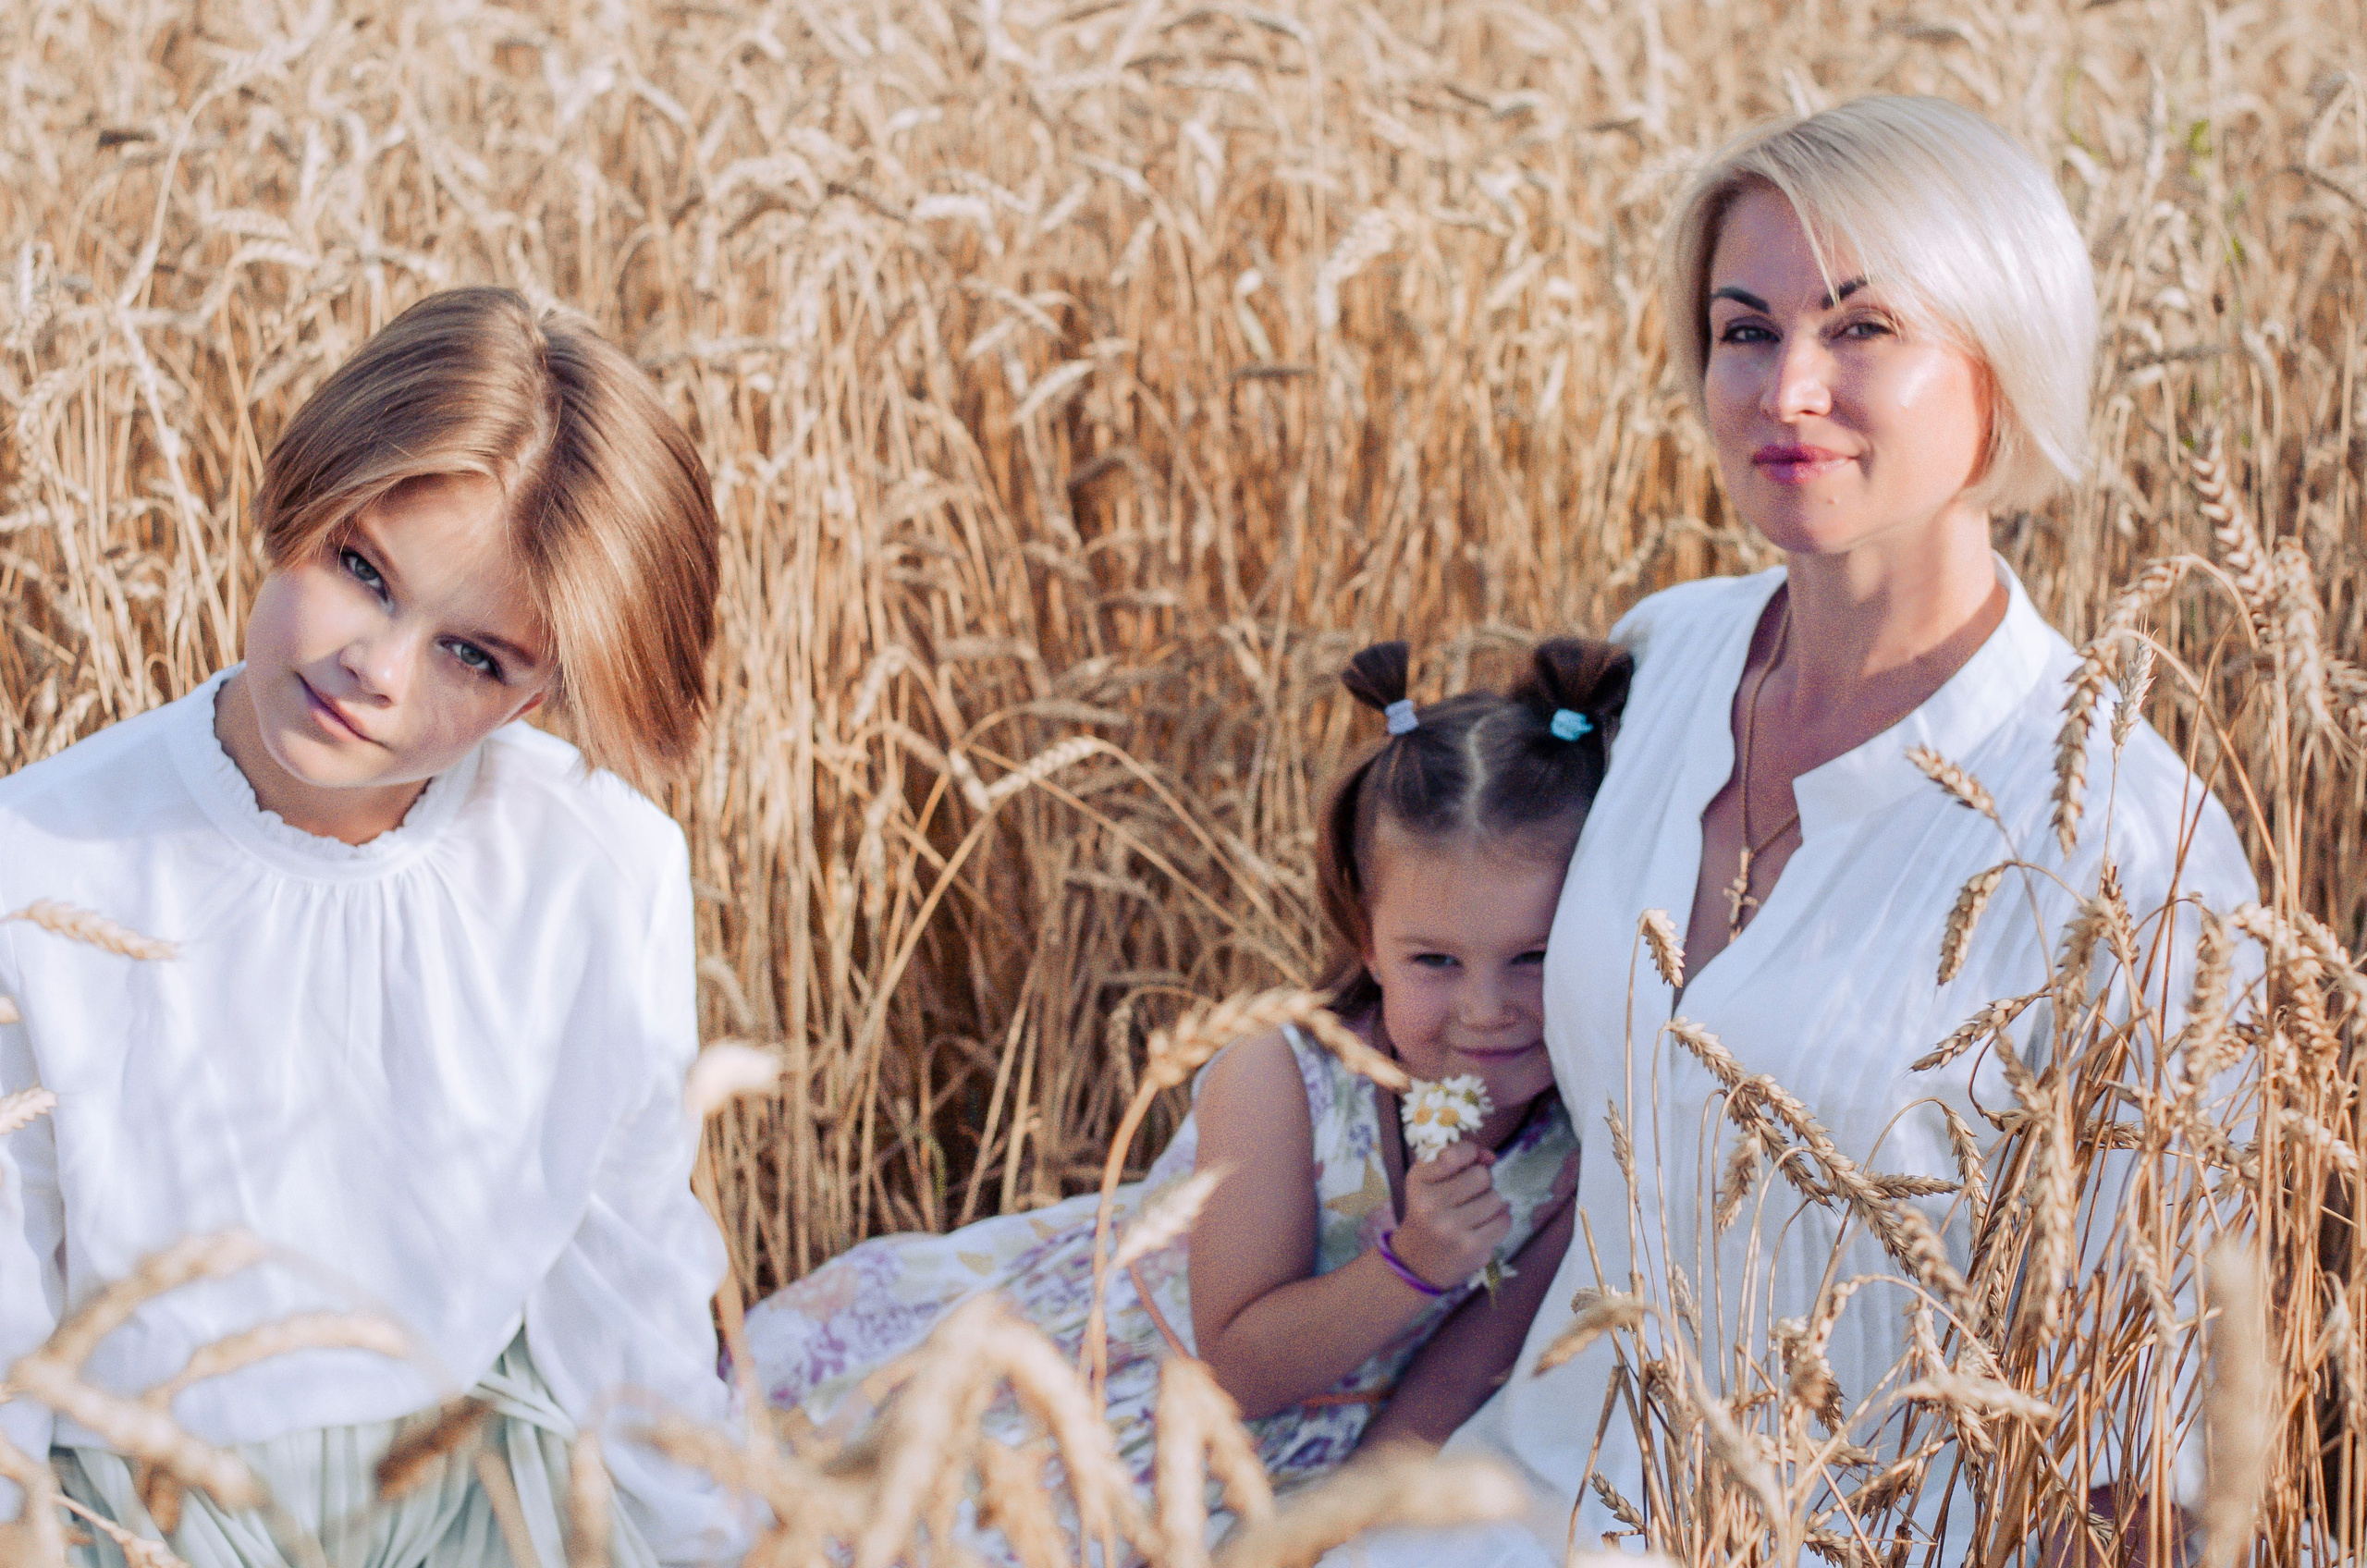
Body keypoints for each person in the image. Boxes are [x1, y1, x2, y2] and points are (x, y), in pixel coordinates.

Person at [1340, 96, 2258, 1565]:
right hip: (1538, 1489)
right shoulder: (1663, 662)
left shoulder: (2131, 846)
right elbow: (1592, 1182)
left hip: (1866, 1534)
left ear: (2001, 370)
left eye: (1863, 329)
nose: (1786, 391)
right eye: (1746, 329)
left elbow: (2152, 1421)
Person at [0, 289, 745, 1566]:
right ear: (303, 493)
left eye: (474, 654)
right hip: (145, 1510)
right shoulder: (44, 863)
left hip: (476, 1488)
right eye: (363, 572)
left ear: (540, 693)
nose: (381, 670)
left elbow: (626, 1285)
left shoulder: (603, 873)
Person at [742, 638, 1631, 1558]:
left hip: (1302, 1472)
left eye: (1533, 954)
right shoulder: (1280, 1081)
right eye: (1434, 960)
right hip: (1124, 1399)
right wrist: (1411, 1264)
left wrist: (1338, 1539)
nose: (1486, 1009)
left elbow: (1449, 1388)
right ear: (1366, 942)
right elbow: (1235, 1368)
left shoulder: (1571, 1155)